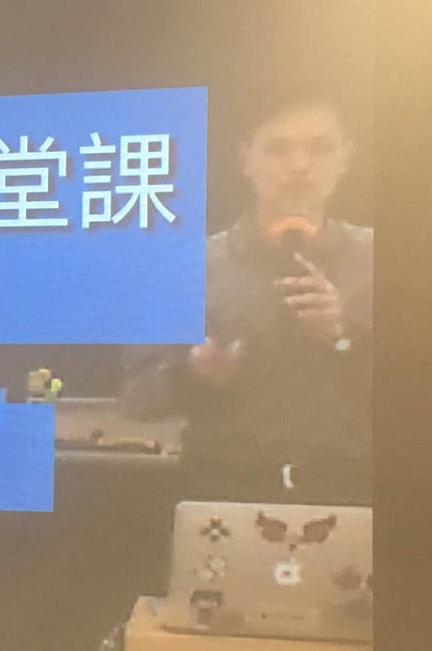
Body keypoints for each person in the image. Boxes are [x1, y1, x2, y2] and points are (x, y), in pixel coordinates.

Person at [122, 94, 372, 504]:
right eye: (277, 148)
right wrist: (194, 373)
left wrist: (344, 338)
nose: (299, 165)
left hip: (350, 496)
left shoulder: (379, 261)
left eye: (319, 148)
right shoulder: (189, 267)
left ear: (345, 159)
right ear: (245, 161)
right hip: (223, 495)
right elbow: (137, 397)